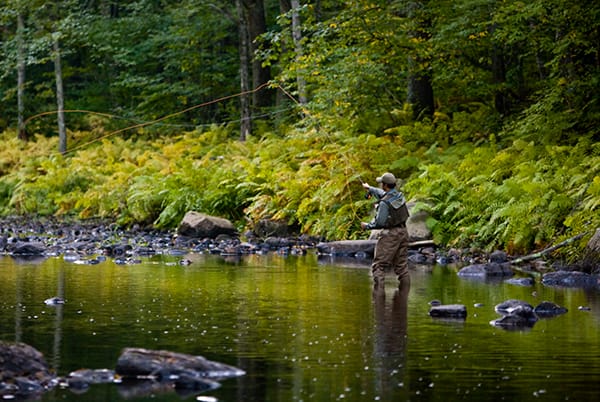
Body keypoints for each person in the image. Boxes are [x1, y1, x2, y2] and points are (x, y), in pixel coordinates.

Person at [361, 172, 410, 289]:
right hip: (403, 232)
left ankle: (379, 300)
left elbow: (380, 223)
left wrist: (367, 226)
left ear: (385, 185)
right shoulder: (399, 196)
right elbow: (384, 194)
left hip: (391, 235)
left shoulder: (384, 203)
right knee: (402, 267)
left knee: (379, 266)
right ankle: (403, 302)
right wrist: (370, 189)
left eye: (381, 183)